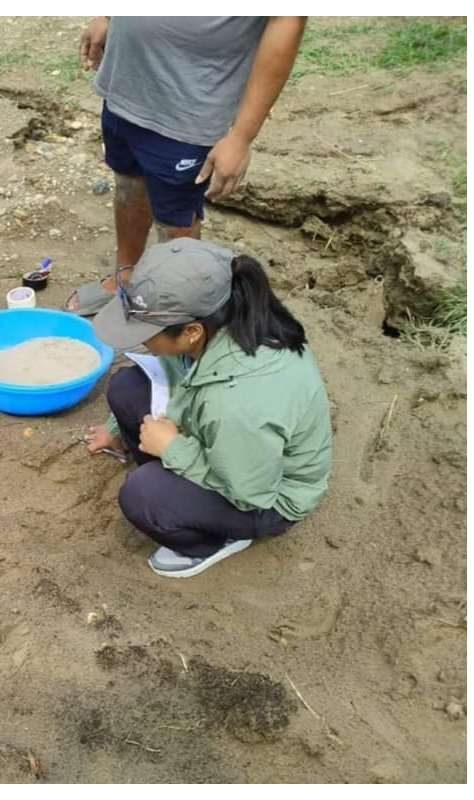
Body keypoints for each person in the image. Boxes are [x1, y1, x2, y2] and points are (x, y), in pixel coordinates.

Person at [84, 238, 333, 578]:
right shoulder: (225, 316)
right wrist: (117, 430)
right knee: (126, 387)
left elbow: (251, 493)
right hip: (233, 445)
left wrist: (173, 448)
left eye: (146, 331)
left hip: (266, 496)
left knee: (143, 494)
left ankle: (213, 540)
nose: (141, 339)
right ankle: (173, 480)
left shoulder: (236, 404)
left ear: (191, 331)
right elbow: (174, 373)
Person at [67, 16, 307, 315]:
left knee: (175, 220)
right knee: (128, 186)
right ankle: (126, 277)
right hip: (126, 85)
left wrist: (241, 136)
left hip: (189, 103)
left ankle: (173, 312)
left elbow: (286, 21)